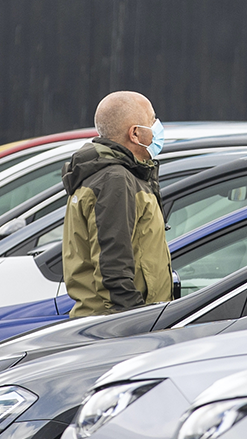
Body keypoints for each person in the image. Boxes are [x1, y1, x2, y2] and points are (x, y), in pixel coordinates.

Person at [61, 91, 173, 317]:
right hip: (117, 330)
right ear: (135, 133)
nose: (157, 127)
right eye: (152, 120)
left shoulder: (116, 175)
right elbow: (113, 269)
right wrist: (136, 322)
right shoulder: (115, 180)